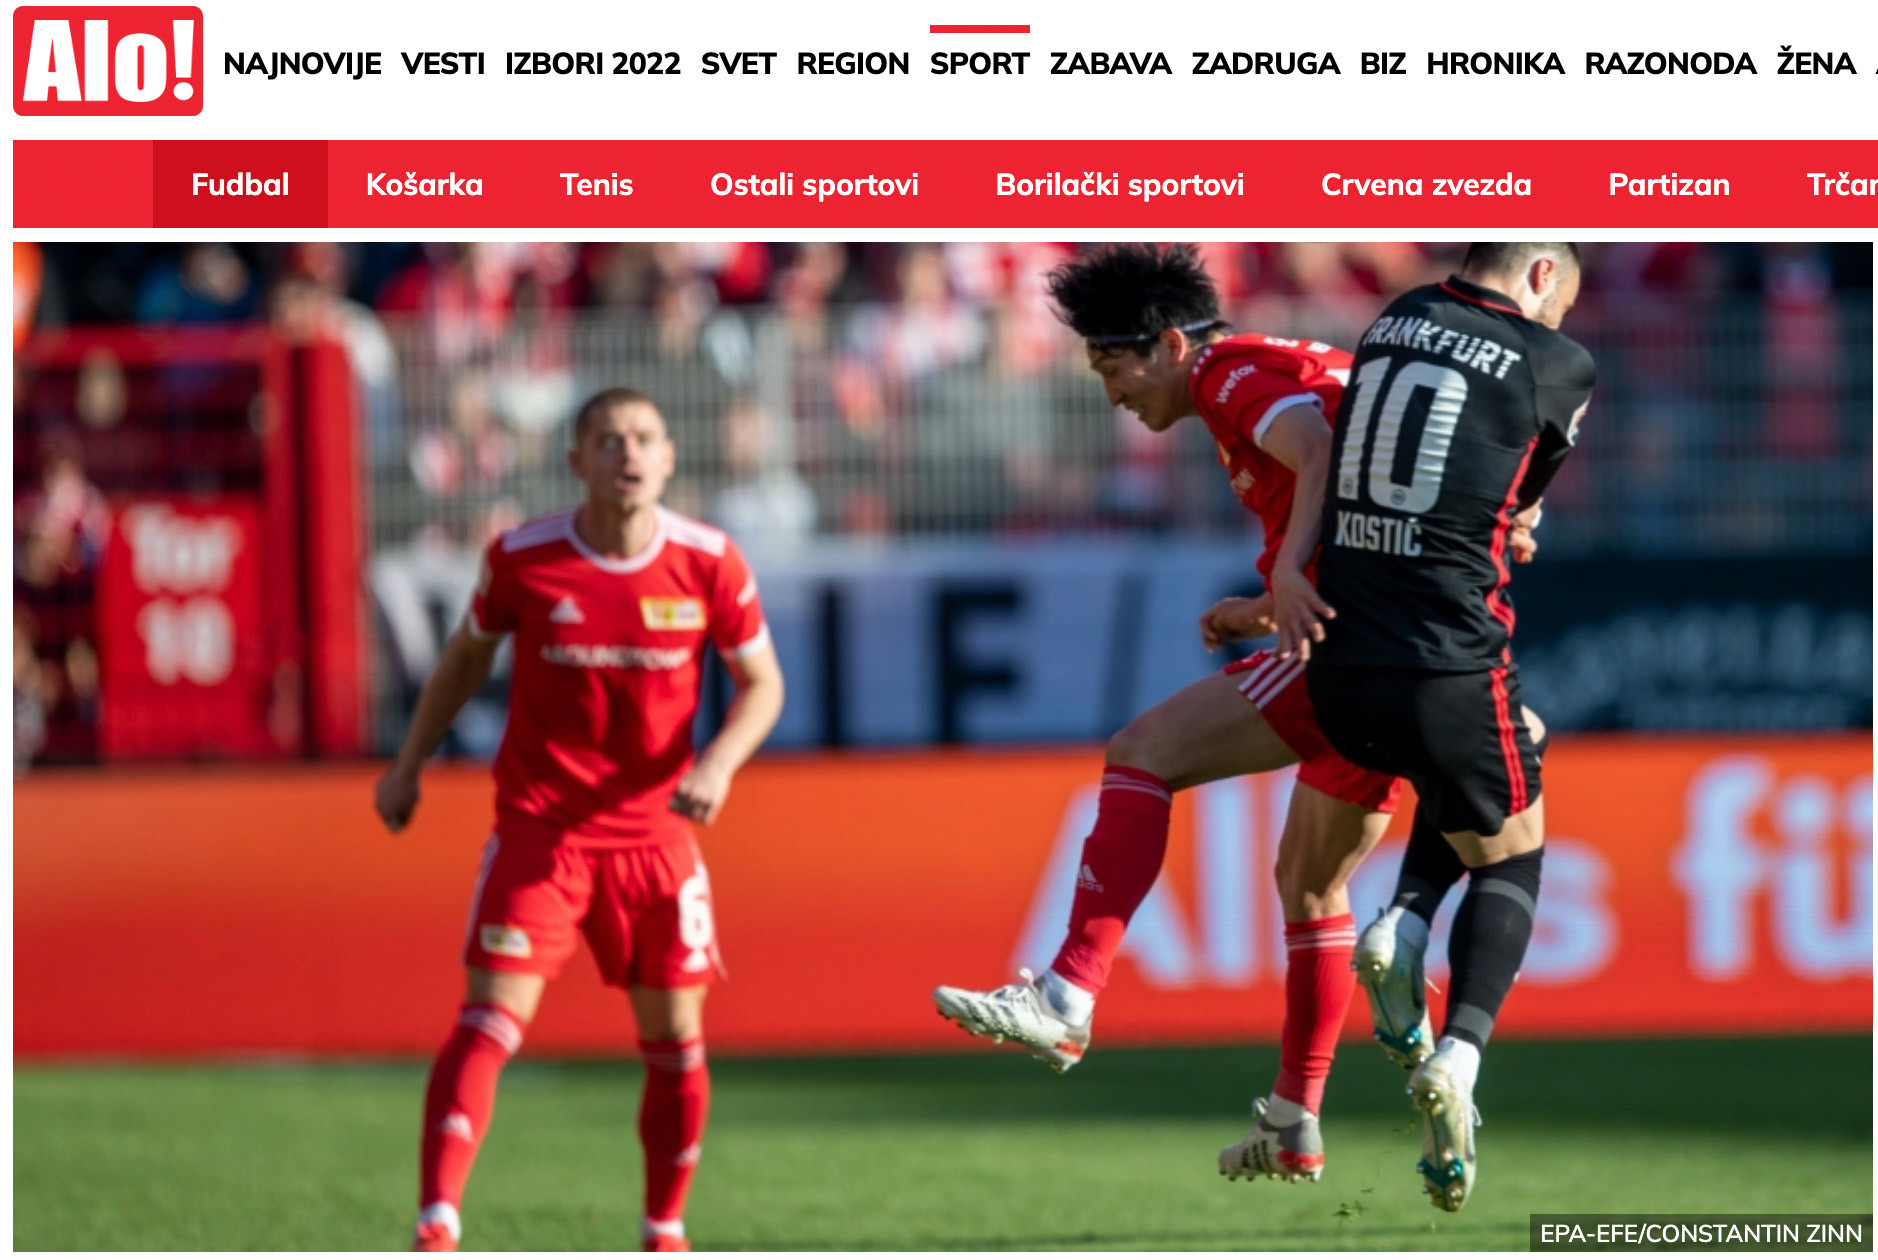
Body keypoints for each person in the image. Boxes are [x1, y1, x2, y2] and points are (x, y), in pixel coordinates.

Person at [933, 243, 1412, 1184]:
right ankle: (1298, 1116)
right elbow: (1360, 478)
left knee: (1142, 751)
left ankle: (1068, 996)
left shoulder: (1230, 370)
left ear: (1170, 342)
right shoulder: (1280, 365)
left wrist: (1283, 576)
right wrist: (1271, 599)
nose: (1110, 391)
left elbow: (1316, 452)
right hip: (1407, 638)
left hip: (1362, 647)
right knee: (1311, 888)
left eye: (1114, 365)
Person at [374, 387, 786, 1252]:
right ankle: (436, 1224)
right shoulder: (523, 559)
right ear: (577, 462)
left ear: (669, 457)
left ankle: (664, 1229)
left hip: (657, 841)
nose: (627, 453)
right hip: (543, 834)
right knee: (490, 1019)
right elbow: (460, 662)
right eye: (607, 440)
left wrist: (718, 762)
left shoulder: (710, 561)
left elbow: (763, 684)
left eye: (642, 437)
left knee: (676, 1040)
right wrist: (408, 766)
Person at [1305, 243, 1595, 1213]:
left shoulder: (1392, 317)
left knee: (1507, 748)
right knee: (1515, 855)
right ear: (1544, 276)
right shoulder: (1558, 362)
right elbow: (1522, 506)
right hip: (1446, 664)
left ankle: (1405, 919)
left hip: (1341, 668)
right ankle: (1461, 1053)